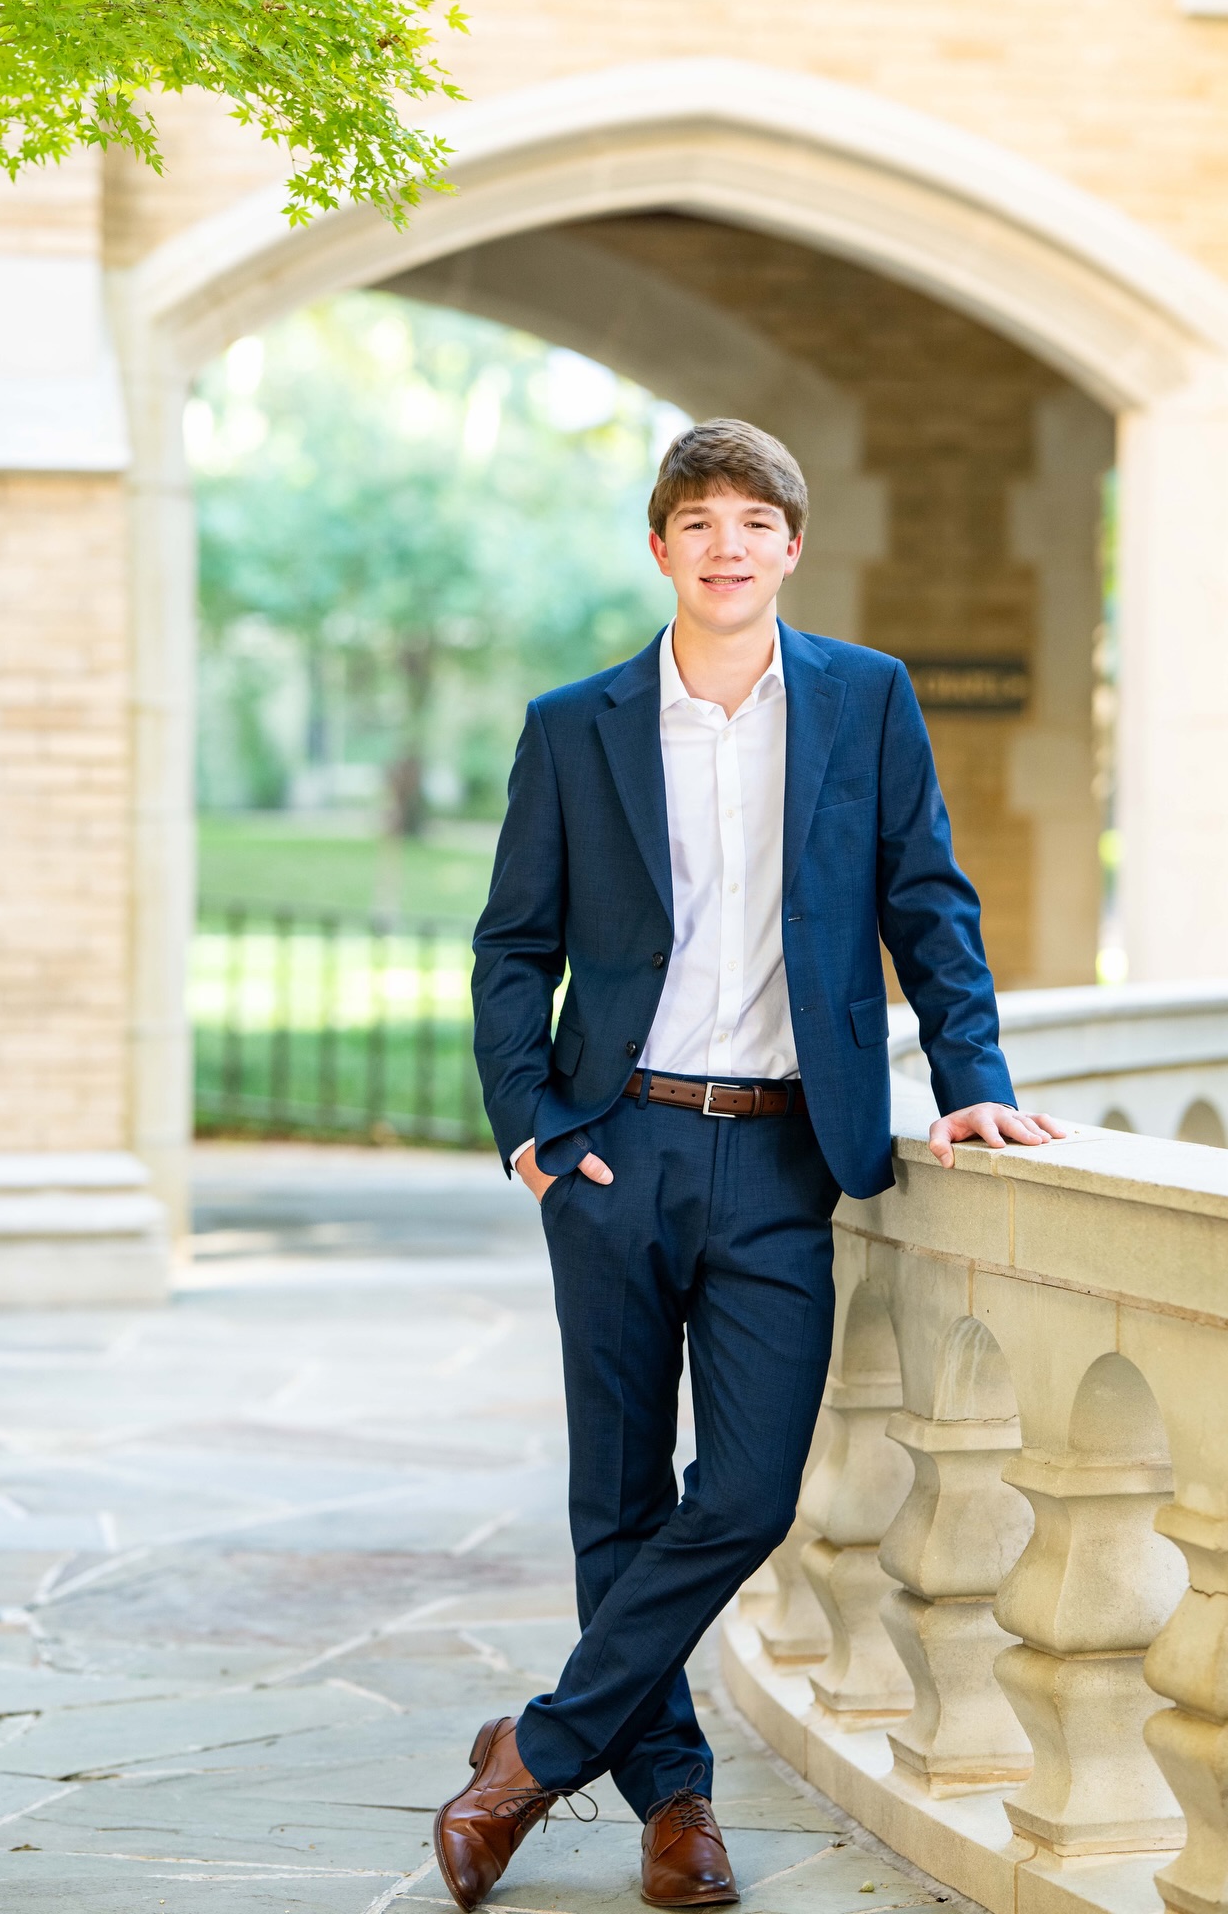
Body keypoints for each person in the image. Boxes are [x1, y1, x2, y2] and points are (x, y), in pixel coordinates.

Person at [434, 419, 1065, 1912]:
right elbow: (511, 947)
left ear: (792, 546)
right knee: (619, 1492)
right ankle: (679, 1813)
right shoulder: (574, 724)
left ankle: (532, 1753)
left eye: (755, 520)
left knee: (751, 1490)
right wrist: (534, 1124)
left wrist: (975, 1083)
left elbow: (930, 900)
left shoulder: (865, 699)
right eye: (698, 520)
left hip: (788, 1150)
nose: (728, 543)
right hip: (616, 1147)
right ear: (661, 549)